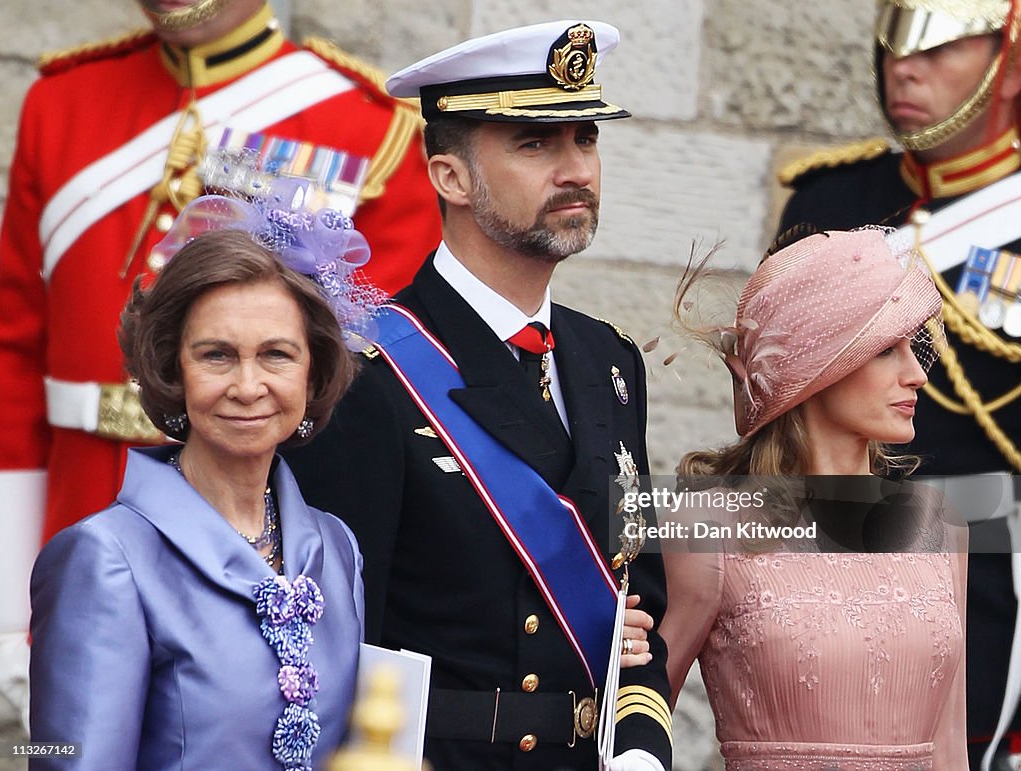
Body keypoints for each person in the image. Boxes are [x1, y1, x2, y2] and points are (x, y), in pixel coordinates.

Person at [0, 0, 442, 719]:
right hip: (73, 523)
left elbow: (362, 405)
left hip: (256, 552)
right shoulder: (62, 102)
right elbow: (12, 358)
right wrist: (4, 606)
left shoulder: (368, 126)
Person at [284, 20, 674, 771]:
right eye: (536, 144)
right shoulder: (367, 370)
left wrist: (640, 756)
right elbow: (330, 639)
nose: (576, 170)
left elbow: (637, 607)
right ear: (449, 177)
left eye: (585, 139)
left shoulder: (609, 360)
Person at [29, 196, 368, 768]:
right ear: (170, 368)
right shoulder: (103, 556)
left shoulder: (336, 547)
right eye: (216, 355)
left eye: (277, 355)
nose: (247, 385)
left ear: (315, 372)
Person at [776, 2, 1021, 766]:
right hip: (830, 570)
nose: (902, 68)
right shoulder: (829, 202)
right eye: (892, 48)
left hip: (987, 594)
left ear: (1009, 67)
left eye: (939, 50)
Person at [658, 228, 968, 769]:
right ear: (815, 366)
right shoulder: (709, 527)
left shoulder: (940, 526)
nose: (917, 375)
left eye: (911, 348)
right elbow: (636, 716)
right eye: (885, 350)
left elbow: (949, 745)